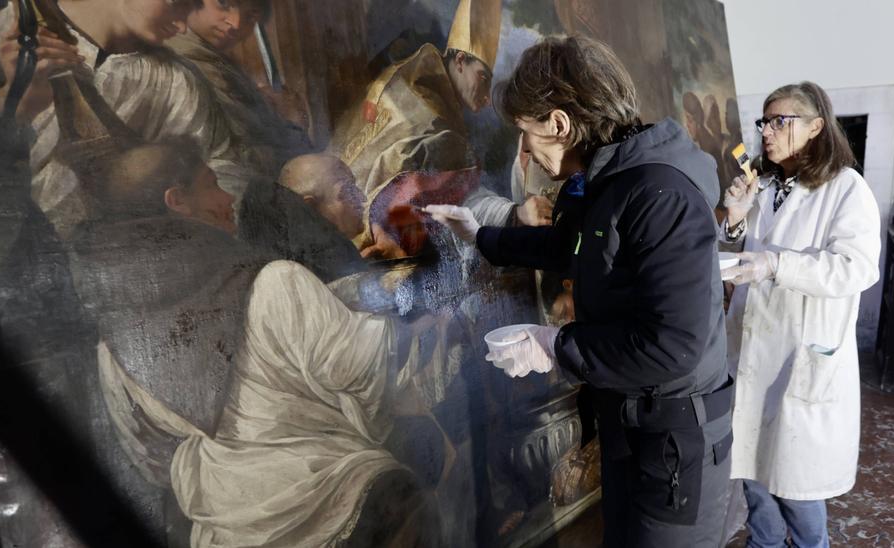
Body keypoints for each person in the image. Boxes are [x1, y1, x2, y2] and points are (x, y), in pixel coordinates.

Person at [426, 36, 734, 547]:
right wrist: (480, 235)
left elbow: (673, 346)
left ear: (560, 124)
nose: (522, 152)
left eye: (526, 134)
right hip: (633, 429)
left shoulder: (660, 194)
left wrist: (553, 346)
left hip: (675, 450)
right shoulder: (614, 183)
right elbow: (573, 244)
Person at [70, 140, 440, 547]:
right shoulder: (273, 281)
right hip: (338, 500)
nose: (228, 198)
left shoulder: (114, 350)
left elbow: (152, 460)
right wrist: (432, 321)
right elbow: (369, 365)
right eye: (211, 185)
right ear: (177, 201)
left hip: (224, 531)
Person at [718, 81, 881, 548]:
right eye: (764, 122)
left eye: (779, 122)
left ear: (815, 127)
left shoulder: (846, 188)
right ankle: (764, 544)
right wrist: (734, 217)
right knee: (754, 476)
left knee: (797, 486)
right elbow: (736, 253)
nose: (766, 132)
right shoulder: (764, 185)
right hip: (753, 345)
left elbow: (856, 268)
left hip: (802, 351)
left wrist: (778, 264)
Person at [0, 0, 236, 236]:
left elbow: (223, 171)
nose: (183, 25)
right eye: (176, 4)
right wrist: (14, 102)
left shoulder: (177, 83)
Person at [329, 0, 550, 229]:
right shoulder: (432, 121)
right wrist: (513, 213)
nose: (486, 98)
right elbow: (455, 192)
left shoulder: (413, 75)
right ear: (461, 61)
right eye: (483, 79)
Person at [168, 0, 314, 179]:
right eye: (224, 3)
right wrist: (292, 123)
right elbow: (236, 162)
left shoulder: (211, 57)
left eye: (251, 16)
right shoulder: (186, 66)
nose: (235, 23)